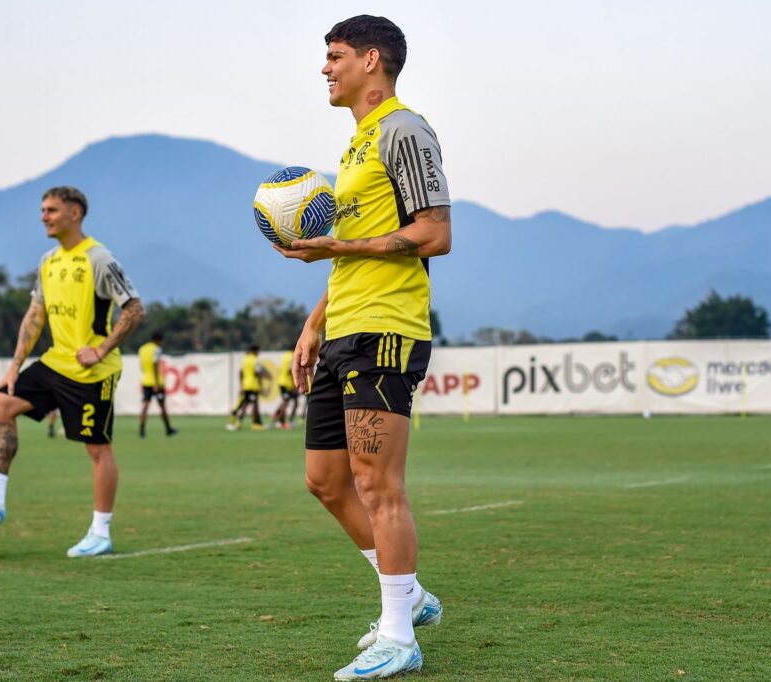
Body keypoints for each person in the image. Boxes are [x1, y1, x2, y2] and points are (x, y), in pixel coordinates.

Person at [275, 15, 452, 680]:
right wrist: (314, 321)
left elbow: (434, 234)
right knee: (324, 481)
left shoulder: (406, 129)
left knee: (379, 483)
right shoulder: (354, 148)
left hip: (386, 329)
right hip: (343, 326)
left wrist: (333, 246)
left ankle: (400, 634)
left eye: (335, 55)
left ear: (372, 61)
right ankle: (409, 595)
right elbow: (350, 253)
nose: (325, 68)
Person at [0, 186, 145, 558]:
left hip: (92, 374)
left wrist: (100, 349)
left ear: (75, 213)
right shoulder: (48, 262)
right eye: (42, 210)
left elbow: (134, 308)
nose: (44, 216)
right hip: (53, 363)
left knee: (97, 450)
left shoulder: (99, 258)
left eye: (51, 210)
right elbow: (35, 315)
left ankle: (100, 533)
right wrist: (15, 365)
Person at [138, 332, 177, 437]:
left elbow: (142, 366)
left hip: (146, 380)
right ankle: (168, 429)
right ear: (158, 340)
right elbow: (155, 364)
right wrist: (156, 383)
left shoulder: (142, 349)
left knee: (145, 405)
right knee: (162, 406)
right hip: (157, 382)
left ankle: (142, 430)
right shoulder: (157, 349)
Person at [226, 345, 269, 431]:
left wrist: (241, 384)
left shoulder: (245, 359)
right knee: (253, 405)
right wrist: (261, 385)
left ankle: (238, 421)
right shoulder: (255, 360)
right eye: (258, 351)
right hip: (253, 385)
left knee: (245, 404)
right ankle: (253, 423)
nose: (258, 353)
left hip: (246, 385)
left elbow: (240, 372)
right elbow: (257, 373)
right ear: (255, 351)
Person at [273, 348, 299, 429]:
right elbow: (291, 371)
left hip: (281, 382)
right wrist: (295, 385)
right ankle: (282, 422)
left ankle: (277, 416)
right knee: (287, 402)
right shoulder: (292, 356)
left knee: (286, 401)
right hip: (288, 384)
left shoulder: (284, 356)